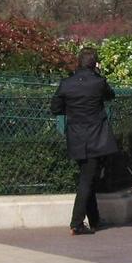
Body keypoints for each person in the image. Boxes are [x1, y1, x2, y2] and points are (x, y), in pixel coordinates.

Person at [51, 47, 118, 236]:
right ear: (94, 63)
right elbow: (110, 96)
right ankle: (76, 222)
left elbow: (55, 108)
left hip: (76, 136)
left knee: (88, 178)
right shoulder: (98, 82)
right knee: (87, 180)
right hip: (96, 137)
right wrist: (100, 75)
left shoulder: (66, 84)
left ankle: (95, 220)